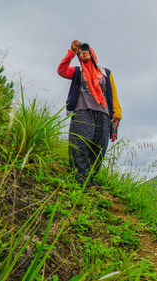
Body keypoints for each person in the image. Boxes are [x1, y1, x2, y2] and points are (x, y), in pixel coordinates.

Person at [57, 40, 122, 187]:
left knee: (100, 146)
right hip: (83, 110)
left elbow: (113, 94)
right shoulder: (77, 71)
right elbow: (61, 70)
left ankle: (89, 178)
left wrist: (117, 115)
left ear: (92, 52)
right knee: (80, 142)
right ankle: (79, 178)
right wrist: (72, 52)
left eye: (85, 49)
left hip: (103, 113)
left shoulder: (106, 72)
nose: (82, 51)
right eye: (80, 51)